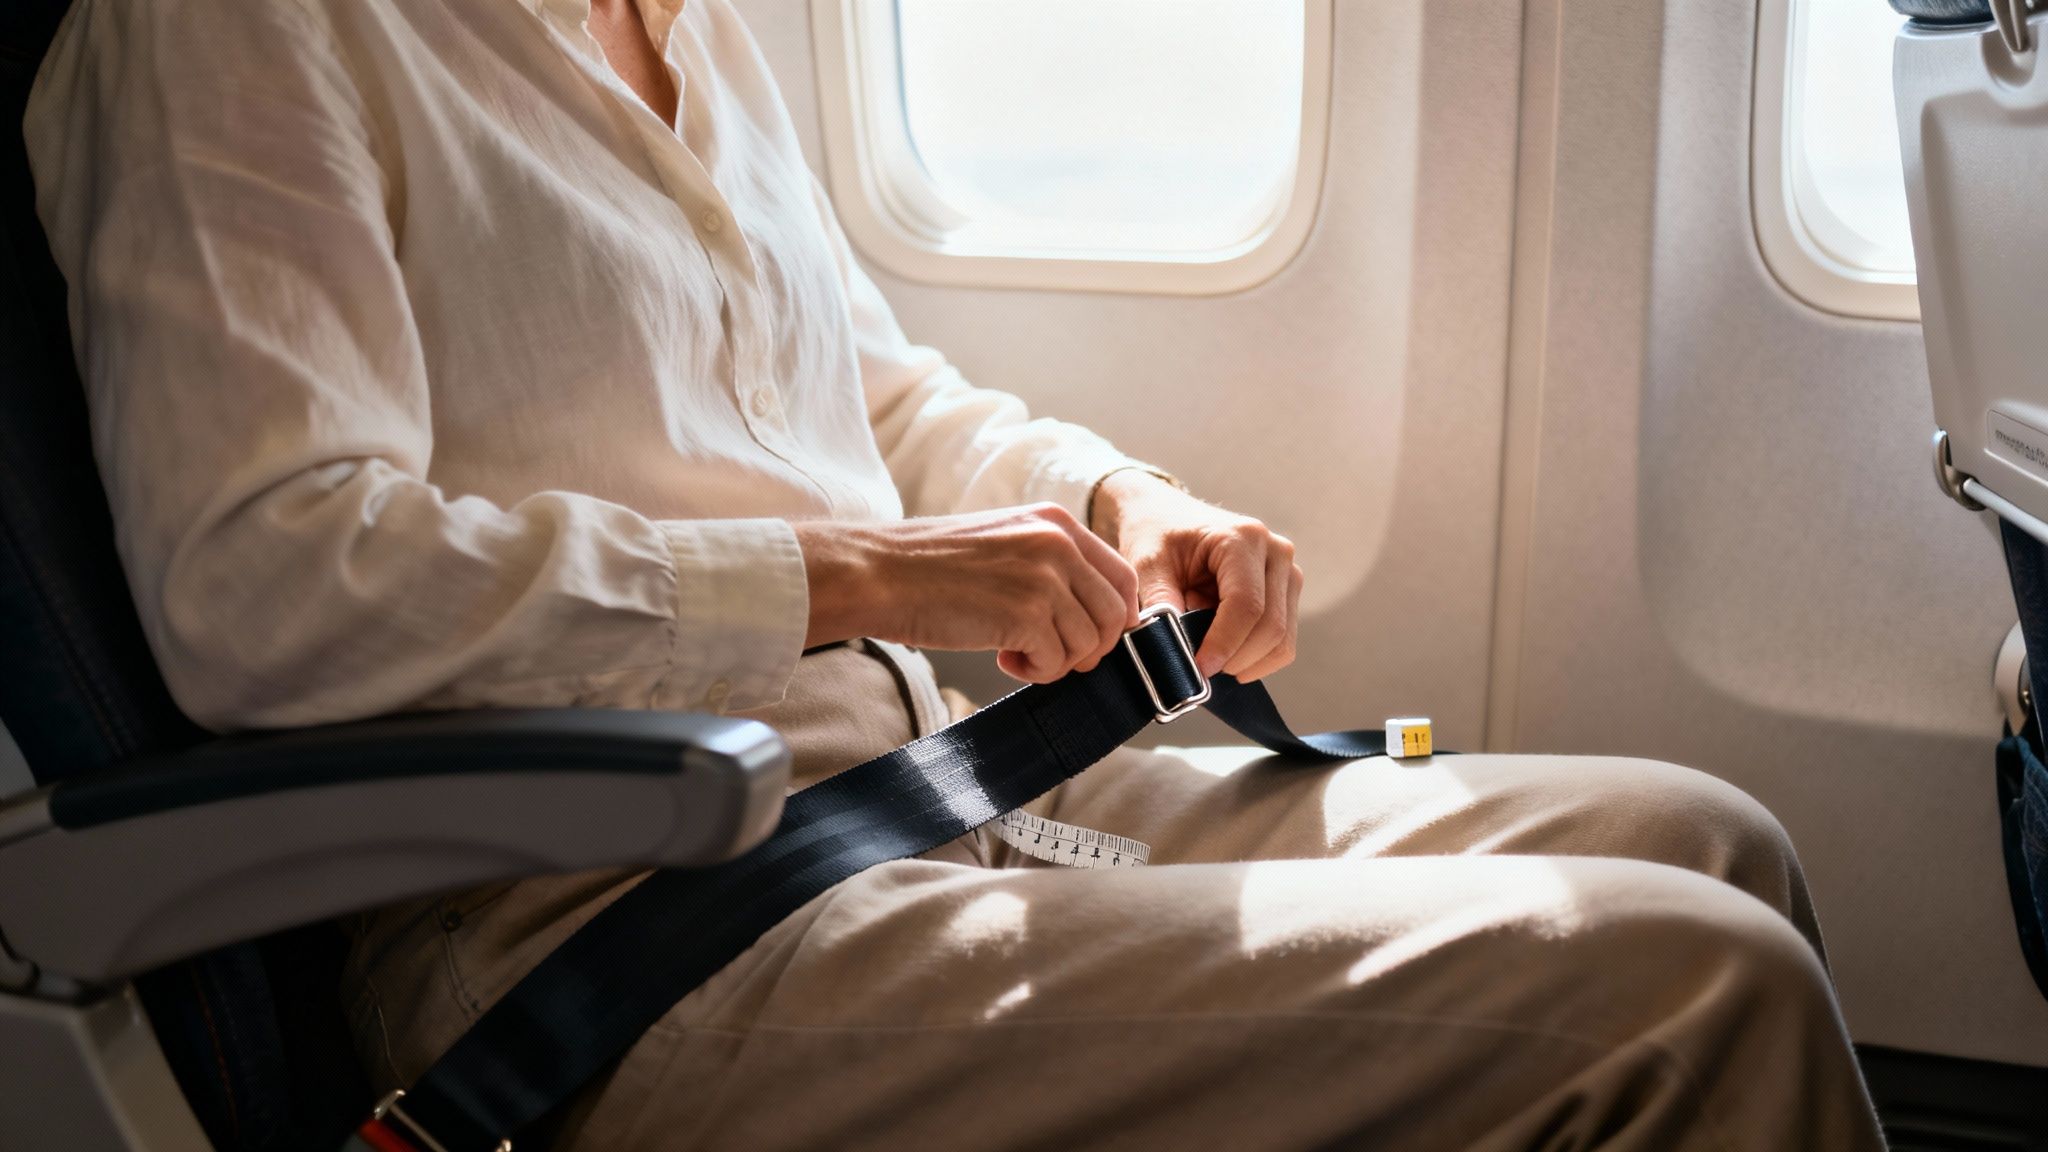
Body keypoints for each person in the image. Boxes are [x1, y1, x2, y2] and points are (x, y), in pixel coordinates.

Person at [24, 0, 1887, 1147]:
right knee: (1688, 995)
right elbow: (262, 585)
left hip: (918, 801)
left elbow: (876, 395)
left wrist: (1109, 500)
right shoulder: (237, 26)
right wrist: (850, 581)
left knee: (1713, 843)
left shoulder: (688, 35)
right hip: (615, 920)